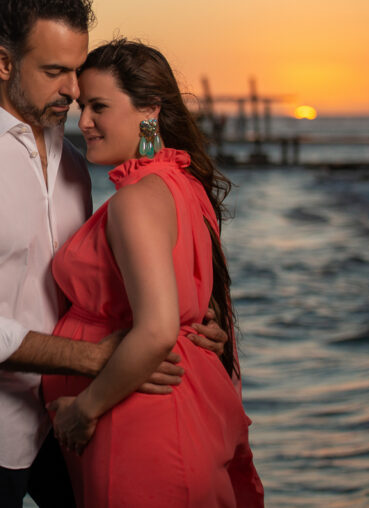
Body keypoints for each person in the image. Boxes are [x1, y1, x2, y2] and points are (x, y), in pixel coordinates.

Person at [0, 0, 228, 508]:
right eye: (54, 71)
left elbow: (99, 276)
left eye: (76, 70)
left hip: (71, 414)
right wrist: (93, 358)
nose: (73, 90)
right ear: (4, 62)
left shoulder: (74, 163)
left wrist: (192, 319)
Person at [44, 39, 265, 507]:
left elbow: (158, 329)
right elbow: (196, 305)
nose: (82, 122)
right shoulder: (184, 184)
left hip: (141, 429)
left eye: (98, 107)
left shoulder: (137, 201)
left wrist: (83, 411)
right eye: (82, 106)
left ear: (150, 112)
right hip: (171, 416)